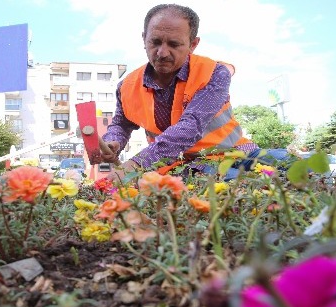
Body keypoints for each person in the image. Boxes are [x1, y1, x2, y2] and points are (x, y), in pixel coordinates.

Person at [99, 4, 285, 182]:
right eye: (155, 42)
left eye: (174, 44)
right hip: (183, 166)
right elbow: (121, 125)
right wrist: (113, 141)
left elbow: (191, 126)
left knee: (293, 165)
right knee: (246, 184)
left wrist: (137, 163)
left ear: (193, 44)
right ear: (143, 38)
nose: (162, 53)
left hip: (237, 152)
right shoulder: (126, 86)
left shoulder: (214, 72)